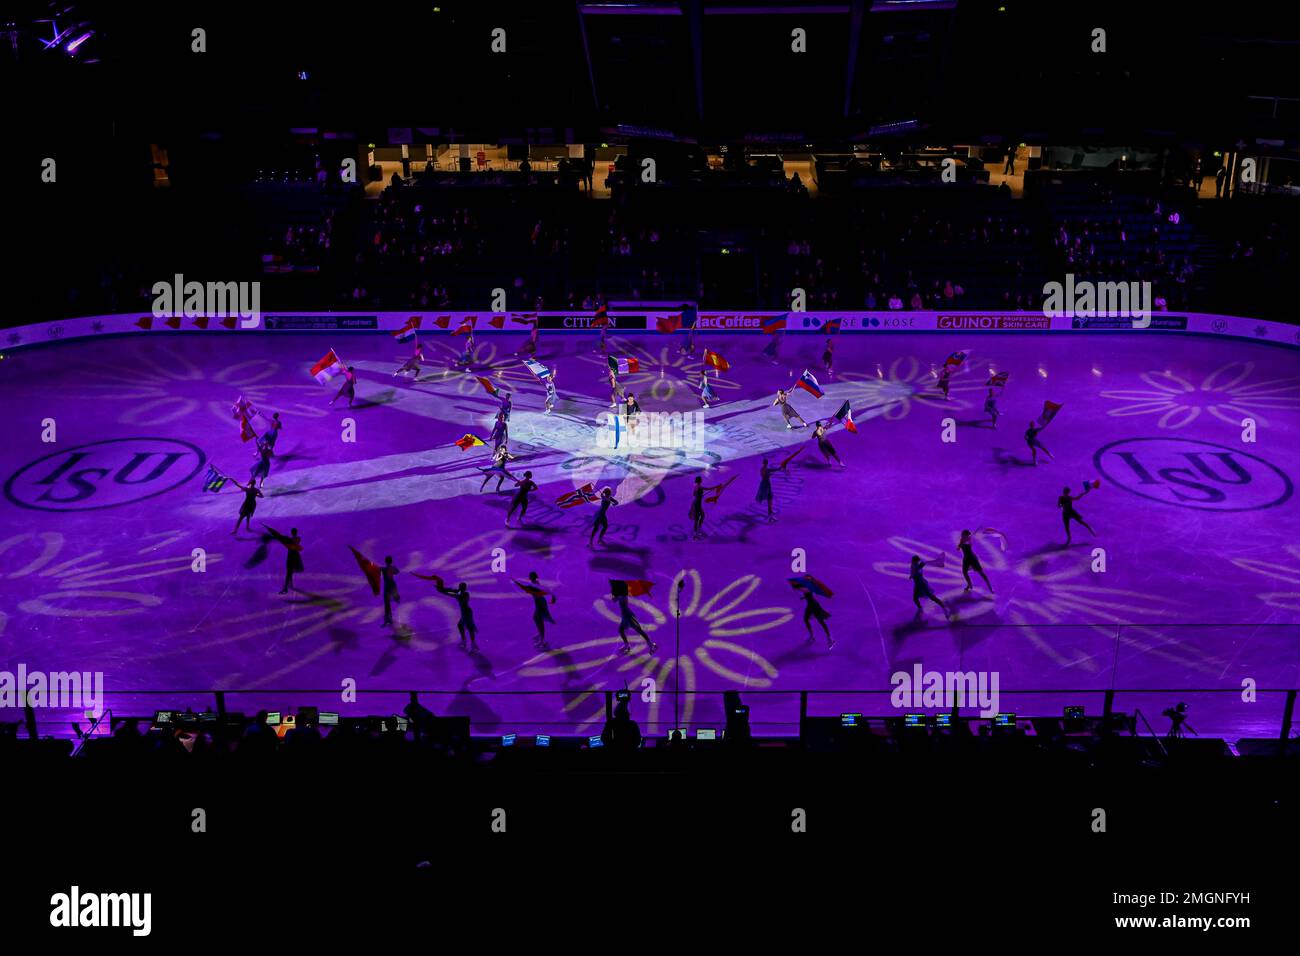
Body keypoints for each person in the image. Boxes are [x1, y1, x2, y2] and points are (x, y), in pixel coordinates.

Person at [437, 581, 479, 650]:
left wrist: (441, 591)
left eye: (460, 587)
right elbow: (451, 590)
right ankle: (466, 641)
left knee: (469, 628)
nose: (459, 588)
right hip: (466, 612)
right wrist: (442, 588)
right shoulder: (464, 593)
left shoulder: (461, 595)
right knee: (461, 626)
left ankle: (472, 644)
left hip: (466, 613)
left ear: (462, 588)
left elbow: (449, 594)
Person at [263, 524, 304, 594]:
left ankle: (285, 588)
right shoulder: (298, 538)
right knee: (290, 571)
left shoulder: (289, 540)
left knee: (289, 572)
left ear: (291, 532)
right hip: (296, 556)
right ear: (296, 532)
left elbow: (278, 535)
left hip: (291, 556)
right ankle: (290, 584)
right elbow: (296, 542)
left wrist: (269, 528)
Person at [614, 590, 657, 654]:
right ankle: (627, 645)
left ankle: (651, 645)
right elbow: (614, 599)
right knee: (620, 630)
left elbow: (615, 599)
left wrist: (614, 594)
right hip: (625, 617)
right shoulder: (621, 595)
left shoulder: (623, 596)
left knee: (639, 630)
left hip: (629, 617)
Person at [909, 555, 951, 621]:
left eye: (913, 560)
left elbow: (916, 570)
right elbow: (914, 571)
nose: (912, 561)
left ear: (915, 561)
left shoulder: (916, 566)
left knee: (932, 597)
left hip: (922, 584)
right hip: (918, 584)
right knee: (915, 598)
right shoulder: (915, 565)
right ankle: (920, 609)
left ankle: (945, 608)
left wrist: (921, 565)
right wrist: (912, 575)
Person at [524, 571, 556, 648]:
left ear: (532, 577)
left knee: (539, 621)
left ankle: (542, 640)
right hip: (539, 603)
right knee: (535, 618)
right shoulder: (536, 583)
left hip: (540, 604)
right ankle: (540, 635)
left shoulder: (534, 585)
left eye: (530, 576)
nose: (529, 578)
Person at [957, 530, 993, 594]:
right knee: (964, 572)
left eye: (963, 534)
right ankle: (969, 584)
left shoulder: (969, 540)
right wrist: (958, 546)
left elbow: (968, 541)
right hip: (966, 559)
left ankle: (990, 588)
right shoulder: (962, 539)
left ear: (966, 535)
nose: (961, 535)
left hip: (972, 559)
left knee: (982, 573)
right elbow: (959, 546)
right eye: (962, 534)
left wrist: (969, 537)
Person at [755, 457, 784, 522]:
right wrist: (780, 467)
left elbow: (764, 475)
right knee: (770, 497)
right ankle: (770, 513)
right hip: (767, 484)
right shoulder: (767, 469)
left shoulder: (762, 469)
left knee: (769, 498)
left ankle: (770, 511)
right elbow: (774, 470)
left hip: (763, 483)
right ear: (767, 463)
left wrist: (770, 474)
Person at [380, 556, 400, 627]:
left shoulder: (384, 569)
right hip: (392, 586)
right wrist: (391, 567)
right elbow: (397, 571)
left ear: (385, 561)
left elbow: (376, 569)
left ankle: (387, 621)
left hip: (388, 587)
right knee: (388, 604)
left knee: (387, 605)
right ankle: (389, 620)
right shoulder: (390, 568)